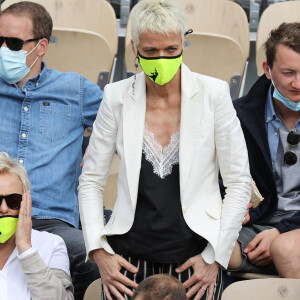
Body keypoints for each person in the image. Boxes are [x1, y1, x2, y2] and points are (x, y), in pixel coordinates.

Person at [78, 1, 251, 299]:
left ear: (183, 43)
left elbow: (238, 183)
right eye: (151, 51)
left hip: (197, 262)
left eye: (171, 50)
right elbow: (91, 180)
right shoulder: (116, 97)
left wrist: (215, 257)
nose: (162, 59)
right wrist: (98, 251)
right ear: (134, 48)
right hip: (127, 265)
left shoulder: (214, 94)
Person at [0, 2, 103, 298]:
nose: (4, 48)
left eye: (15, 43)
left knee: (90, 254)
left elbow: (124, 124)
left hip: (51, 220)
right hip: (0, 206)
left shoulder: (76, 89)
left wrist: (98, 148)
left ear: (41, 46)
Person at [228, 22, 300, 278]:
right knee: (206, 246)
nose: (298, 83)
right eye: (288, 72)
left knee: (284, 249)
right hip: (260, 220)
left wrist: (282, 232)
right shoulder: (237, 115)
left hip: (294, 225)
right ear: (267, 70)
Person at [0, 152, 74, 300]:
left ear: (26, 203)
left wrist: (26, 250)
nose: (3, 209)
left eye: (13, 201)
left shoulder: (53, 244)